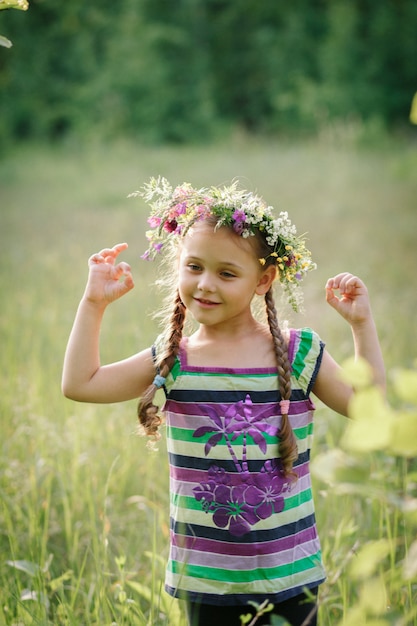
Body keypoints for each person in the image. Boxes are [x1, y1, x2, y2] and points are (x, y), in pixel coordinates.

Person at [62, 177, 385, 626]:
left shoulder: (299, 354)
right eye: (194, 266)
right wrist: (93, 302)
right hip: (205, 581)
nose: (205, 285)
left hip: (289, 574)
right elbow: (81, 383)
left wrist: (362, 325)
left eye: (227, 273)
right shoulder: (173, 359)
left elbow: (371, 411)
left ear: (264, 279)